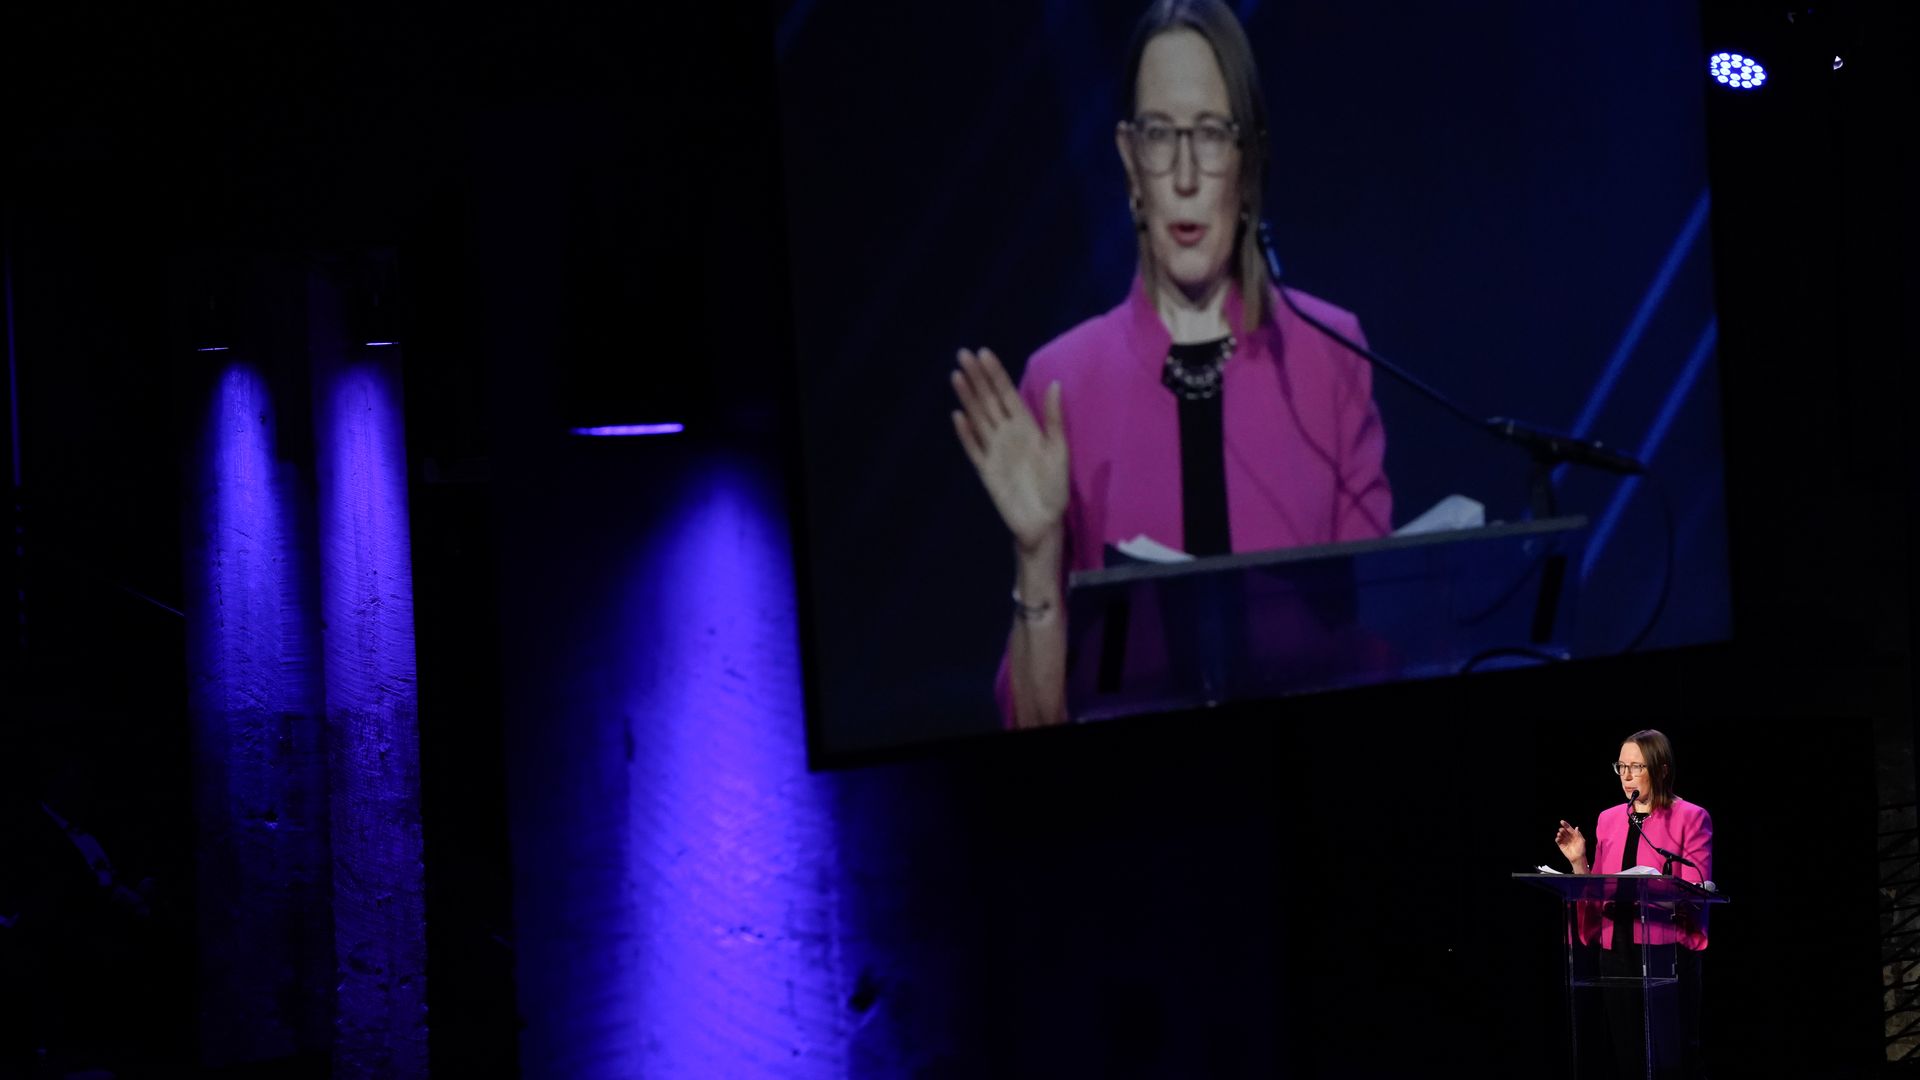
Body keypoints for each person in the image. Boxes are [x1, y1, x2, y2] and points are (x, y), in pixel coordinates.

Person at [947, 0, 1392, 728]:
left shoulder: (1331, 354)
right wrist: (1037, 553)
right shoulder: (1060, 384)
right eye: (1160, 136)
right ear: (1129, 159)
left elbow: (1382, 642)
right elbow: (1030, 724)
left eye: (1211, 135)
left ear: (1246, 158)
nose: (1185, 174)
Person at [1554, 728, 1713, 1079]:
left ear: (1662, 769)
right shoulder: (1608, 819)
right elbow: (1596, 891)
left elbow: (1697, 888)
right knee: (1628, 1054)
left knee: (1673, 1053)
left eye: (1636, 767)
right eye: (1620, 766)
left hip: (1664, 948)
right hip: (1616, 946)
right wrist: (1579, 862)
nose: (1626, 776)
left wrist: (1669, 889)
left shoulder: (1691, 816)